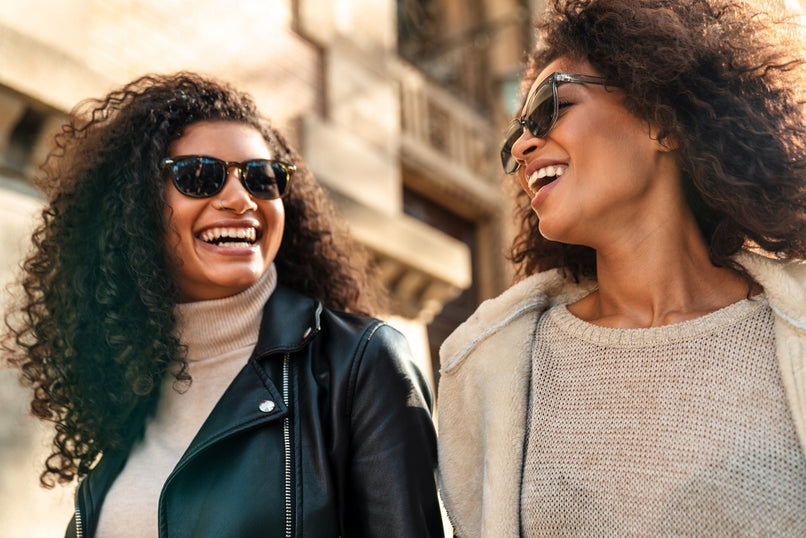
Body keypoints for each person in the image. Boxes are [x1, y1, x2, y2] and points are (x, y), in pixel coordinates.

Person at [3, 72, 444, 537]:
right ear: (136, 205)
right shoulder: (131, 387)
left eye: (262, 178)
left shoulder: (359, 365)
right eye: (199, 176)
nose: (239, 199)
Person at [437, 0, 806, 535]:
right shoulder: (486, 368)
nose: (521, 145)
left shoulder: (792, 330)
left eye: (552, 106)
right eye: (514, 135)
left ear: (663, 121)